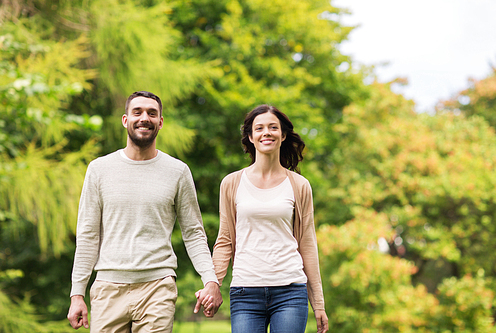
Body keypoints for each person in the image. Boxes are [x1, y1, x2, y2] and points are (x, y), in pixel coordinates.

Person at [67, 91, 222, 332]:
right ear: (125, 120)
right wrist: (77, 293)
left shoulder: (177, 171)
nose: (144, 118)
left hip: (158, 287)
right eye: (137, 112)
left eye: (152, 113)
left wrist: (210, 278)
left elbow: (193, 233)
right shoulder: (99, 169)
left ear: (160, 122)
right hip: (108, 287)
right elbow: (88, 234)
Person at [208, 105, 329, 332]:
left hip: (290, 291)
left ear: (282, 135)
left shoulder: (299, 185)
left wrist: (318, 304)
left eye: (273, 127)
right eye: (259, 128)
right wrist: (213, 283)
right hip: (245, 291)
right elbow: (224, 239)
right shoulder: (231, 183)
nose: (267, 132)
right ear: (251, 137)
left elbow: (308, 245)